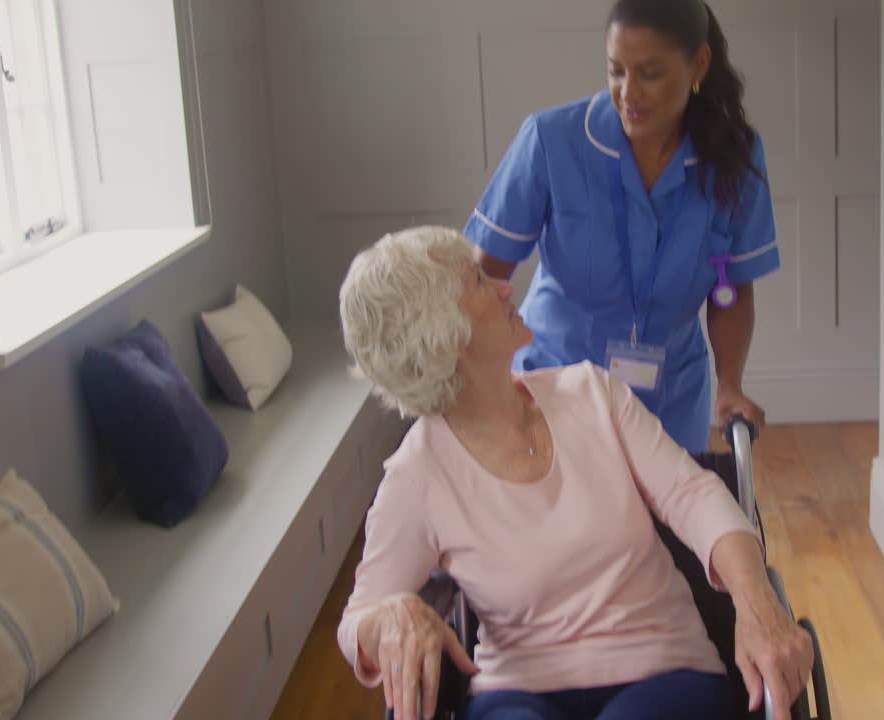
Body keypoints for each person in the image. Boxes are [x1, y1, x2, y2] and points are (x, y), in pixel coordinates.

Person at [336, 226, 812, 720]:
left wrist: (756, 602)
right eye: (478, 281)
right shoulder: (418, 475)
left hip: (664, 671)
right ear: (445, 335)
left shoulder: (591, 394)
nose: (504, 286)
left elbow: (693, 494)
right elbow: (357, 621)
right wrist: (387, 620)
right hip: (514, 694)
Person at [464, 0, 779, 455]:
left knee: (660, 522)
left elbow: (732, 289)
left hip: (669, 396)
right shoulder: (552, 142)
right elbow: (485, 277)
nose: (628, 93)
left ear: (699, 65)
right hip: (553, 382)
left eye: (649, 73)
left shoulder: (736, 158)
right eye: (616, 71)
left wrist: (730, 384)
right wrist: (478, 380)